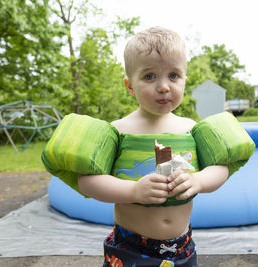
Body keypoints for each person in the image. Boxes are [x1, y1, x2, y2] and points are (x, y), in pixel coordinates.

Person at [77, 27, 230, 267]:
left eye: (173, 75)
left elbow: (221, 168)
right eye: (149, 76)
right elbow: (87, 181)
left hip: (181, 247)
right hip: (129, 248)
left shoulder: (192, 129)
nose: (163, 86)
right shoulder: (116, 131)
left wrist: (199, 181)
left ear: (185, 80)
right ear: (130, 86)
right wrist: (133, 192)